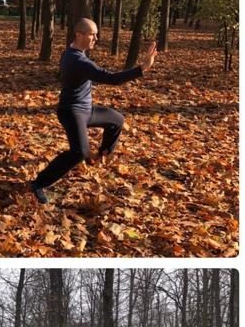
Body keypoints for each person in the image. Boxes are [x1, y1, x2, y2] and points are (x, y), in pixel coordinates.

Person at [31, 18, 157, 204]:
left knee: (117, 120)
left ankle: (100, 155)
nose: (96, 38)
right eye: (92, 34)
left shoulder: (73, 53)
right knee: (79, 152)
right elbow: (111, 79)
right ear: (79, 34)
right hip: (71, 112)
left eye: (96, 34)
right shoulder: (76, 59)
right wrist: (143, 68)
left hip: (86, 109)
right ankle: (38, 183)